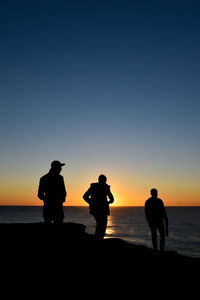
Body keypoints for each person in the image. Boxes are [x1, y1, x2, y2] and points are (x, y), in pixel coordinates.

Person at [83, 174, 114, 239]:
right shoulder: (96, 186)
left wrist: (109, 201)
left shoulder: (105, 187)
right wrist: (91, 203)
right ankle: (98, 239)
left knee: (101, 224)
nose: (104, 182)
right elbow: (85, 196)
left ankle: (98, 238)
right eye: (103, 180)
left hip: (100, 209)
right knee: (101, 224)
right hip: (97, 209)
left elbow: (111, 198)